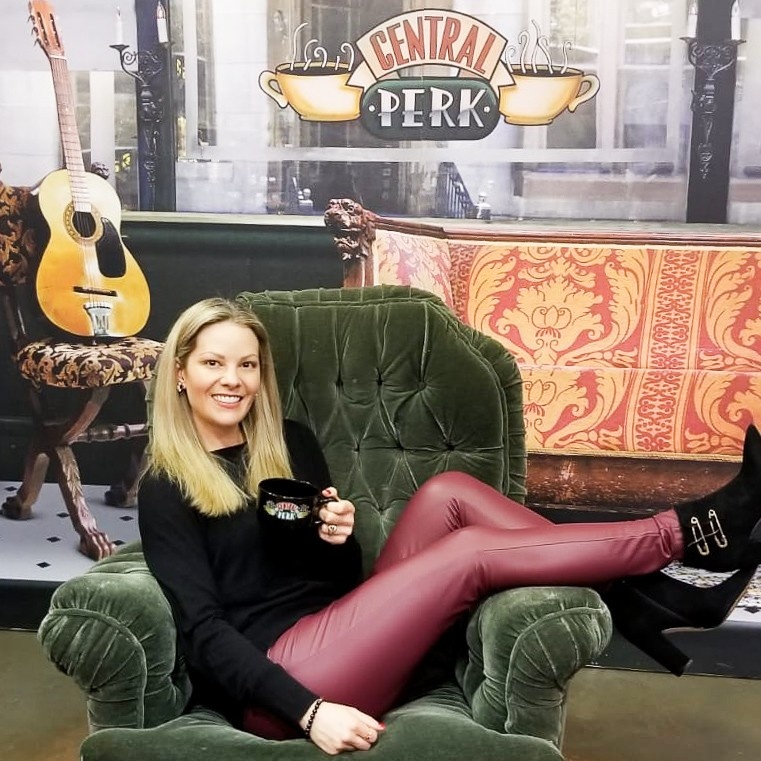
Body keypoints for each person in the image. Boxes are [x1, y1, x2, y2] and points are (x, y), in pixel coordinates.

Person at [138, 297, 761, 755]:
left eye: (247, 365)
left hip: (343, 633)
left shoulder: (289, 442)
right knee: (470, 552)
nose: (233, 381)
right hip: (280, 684)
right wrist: (309, 713)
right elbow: (204, 633)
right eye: (214, 363)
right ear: (180, 373)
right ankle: (690, 535)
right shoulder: (166, 488)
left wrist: (336, 538)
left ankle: (641, 602)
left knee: (450, 494)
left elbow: (331, 581)